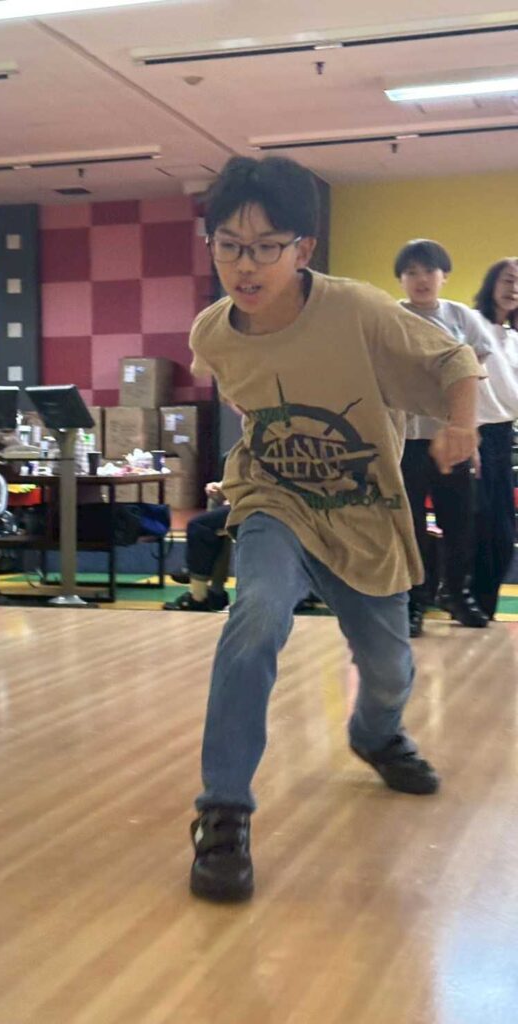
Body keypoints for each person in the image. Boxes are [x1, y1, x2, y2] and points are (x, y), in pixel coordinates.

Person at [187, 155, 482, 903]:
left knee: (389, 670)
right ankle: (223, 811)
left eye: (265, 247)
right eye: (228, 245)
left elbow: (456, 359)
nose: (244, 265)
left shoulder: (357, 309)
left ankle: (376, 734)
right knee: (254, 619)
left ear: (304, 249)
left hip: (364, 514)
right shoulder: (213, 333)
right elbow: (255, 403)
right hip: (274, 502)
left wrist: (461, 426)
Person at [394, 239, 492, 636]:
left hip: (451, 436)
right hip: (405, 440)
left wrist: (471, 434)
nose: (421, 279)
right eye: (411, 272)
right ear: (401, 279)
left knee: (460, 520)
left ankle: (456, 593)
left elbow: (473, 377)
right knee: (411, 525)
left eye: (429, 271)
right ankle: (414, 601)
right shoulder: (390, 317)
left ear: (444, 275)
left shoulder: (461, 317)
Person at [471, 258, 518, 619]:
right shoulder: (472, 325)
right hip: (473, 434)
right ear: (492, 284)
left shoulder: (513, 338)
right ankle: (462, 599)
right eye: (508, 279)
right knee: (478, 524)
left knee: (503, 533)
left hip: (503, 437)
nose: (513, 288)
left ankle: (484, 609)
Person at [164, 480, 231, 612]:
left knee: (198, 527)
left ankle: (198, 595)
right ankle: (215, 591)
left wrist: (233, 494)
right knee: (215, 499)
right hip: (249, 500)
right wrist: (221, 485)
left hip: (258, 504)